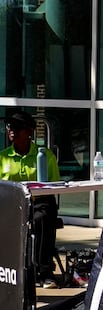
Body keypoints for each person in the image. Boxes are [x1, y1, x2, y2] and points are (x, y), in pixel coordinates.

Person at [1, 111, 61, 285]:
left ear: (29, 132)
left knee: (42, 218)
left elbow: (54, 186)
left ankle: (44, 272)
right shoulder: (2, 157)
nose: (12, 130)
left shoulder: (45, 155)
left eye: (17, 127)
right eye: (10, 127)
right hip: (10, 205)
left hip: (38, 203)